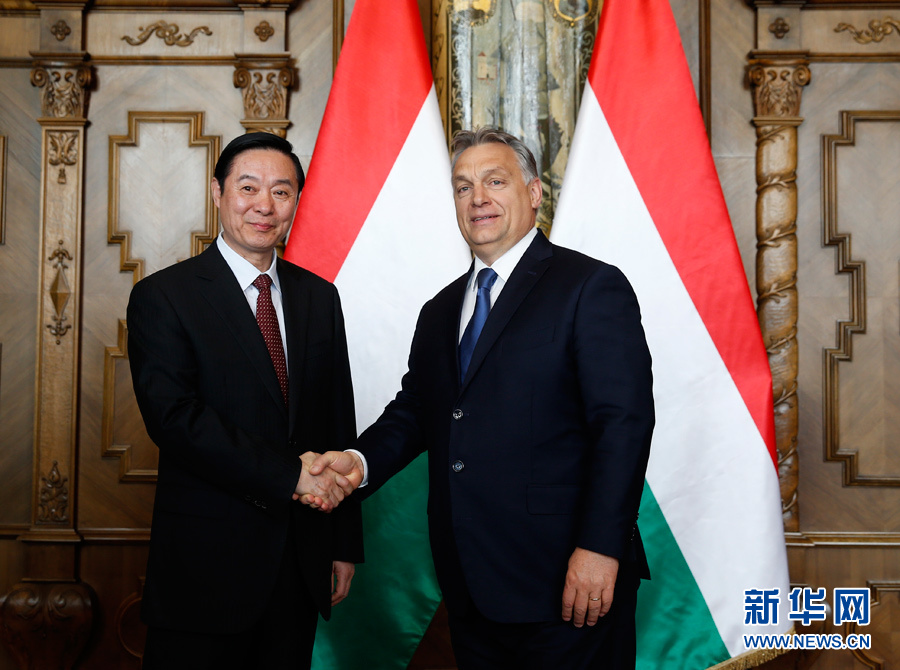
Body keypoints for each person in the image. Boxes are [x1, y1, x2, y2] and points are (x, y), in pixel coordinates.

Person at [308, 127, 655, 668]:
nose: (478, 199)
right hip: (471, 584)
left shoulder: (590, 286)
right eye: (463, 186)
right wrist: (357, 462)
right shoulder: (439, 310)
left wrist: (600, 546)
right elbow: (416, 411)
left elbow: (623, 425)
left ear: (534, 192)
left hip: (569, 579)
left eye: (495, 181)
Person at [127, 132, 363, 670]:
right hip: (204, 567)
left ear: (296, 202)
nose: (264, 205)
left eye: (281, 191)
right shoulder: (164, 296)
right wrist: (290, 476)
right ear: (218, 192)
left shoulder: (319, 296)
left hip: (300, 560)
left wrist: (343, 543)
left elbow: (337, 421)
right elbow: (175, 420)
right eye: (248, 187)